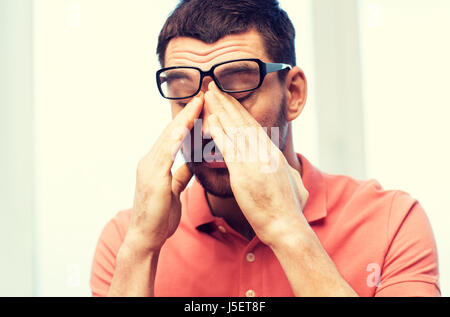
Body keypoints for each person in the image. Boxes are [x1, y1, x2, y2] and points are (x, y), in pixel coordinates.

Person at [90, 0, 440, 297]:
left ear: (293, 94)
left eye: (239, 89)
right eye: (184, 91)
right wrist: (139, 251)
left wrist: (287, 228)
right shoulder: (127, 240)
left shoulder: (392, 221)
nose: (210, 125)